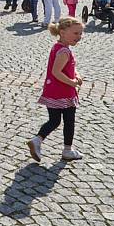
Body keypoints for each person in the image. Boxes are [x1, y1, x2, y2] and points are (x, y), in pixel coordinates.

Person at [27, 17, 84, 162]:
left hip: (53, 91)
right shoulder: (64, 51)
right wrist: (72, 83)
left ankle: (37, 140)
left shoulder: (58, 47)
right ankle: (67, 150)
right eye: (76, 33)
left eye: (80, 34)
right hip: (63, 93)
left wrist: (76, 74)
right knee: (69, 120)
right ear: (63, 32)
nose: (79, 37)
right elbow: (56, 72)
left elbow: (68, 67)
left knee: (54, 120)